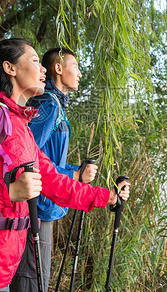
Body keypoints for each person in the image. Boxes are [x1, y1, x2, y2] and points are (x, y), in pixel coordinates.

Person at [0, 38, 130, 291]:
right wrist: (7, 192)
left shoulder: (21, 125)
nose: (43, 69)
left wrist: (106, 197)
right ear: (10, 68)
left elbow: (52, 181)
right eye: (34, 61)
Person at [10, 48, 97, 292]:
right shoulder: (48, 104)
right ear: (58, 68)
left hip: (44, 201)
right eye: (75, 66)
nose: (79, 73)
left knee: (34, 274)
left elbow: (44, 156)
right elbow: (26, 157)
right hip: (37, 205)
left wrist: (74, 170)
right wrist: (74, 176)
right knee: (35, 277)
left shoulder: (54, 103)